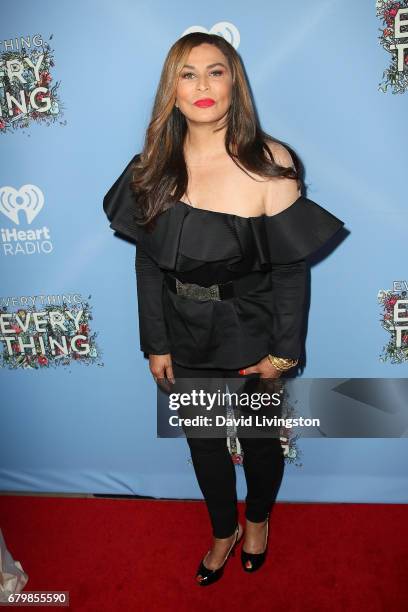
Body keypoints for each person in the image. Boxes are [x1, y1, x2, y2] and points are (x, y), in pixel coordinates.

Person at [103, 32, 344, 586]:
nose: (203, 86)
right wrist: (156, 341)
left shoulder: (270, 162)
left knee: (259, 441)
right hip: (182, 332)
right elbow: (148, 265)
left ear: (235, 81)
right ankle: (222, 530)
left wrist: (284, 352)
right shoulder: (152, 165)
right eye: (187, 74)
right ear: (173, 89)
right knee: (204, 447)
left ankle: (256, 520)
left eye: (216, 71)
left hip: (252, 331)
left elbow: (289, 269)